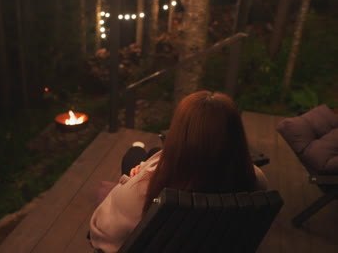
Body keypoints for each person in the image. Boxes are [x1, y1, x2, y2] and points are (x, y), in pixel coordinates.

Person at [88, 91, 268, 253]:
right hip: (206, 242)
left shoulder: (143, 191)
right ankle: (144, 155)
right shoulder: (256, 179)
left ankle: (138, 150)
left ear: (178, 135)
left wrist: (140, 177)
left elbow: (103, 233)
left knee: (132, 155)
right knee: (148, 155)